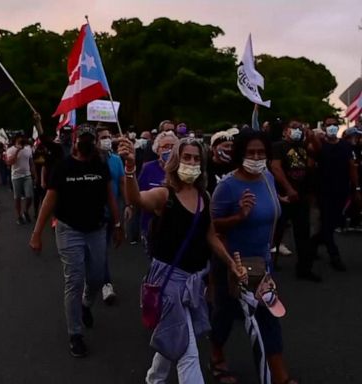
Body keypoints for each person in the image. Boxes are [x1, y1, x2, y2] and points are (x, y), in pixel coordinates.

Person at [118, 136, 245, 384]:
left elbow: (210, 235)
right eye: (186, 157)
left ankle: (154, 379)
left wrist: (230, 263)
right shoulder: (165, 194)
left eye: (197, 158)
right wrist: (131, 169)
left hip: (194, 280)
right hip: (168, 282)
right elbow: (136, 200)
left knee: (174, 335)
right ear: (176, 161)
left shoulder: (203, 197)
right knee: (188, 350)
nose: (192, 162)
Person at [210, 130, 297, 384]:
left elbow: (273, 213)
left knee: (269, 316)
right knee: (224, 315)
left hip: (261, 262)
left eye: (261, 152)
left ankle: (279, 374)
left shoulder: (268, 177)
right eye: (250, 153)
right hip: (232, 263)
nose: (256, 157)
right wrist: (239, 217)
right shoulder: (227, 186)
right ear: (240, 155)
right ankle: (216, 356)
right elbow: (213, 228)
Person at [29, 124, 123, 358]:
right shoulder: (62, 167)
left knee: (97, 277)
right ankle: (75, 334)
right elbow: (49, 200)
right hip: (69, 229)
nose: (87, 142)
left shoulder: (99, 166)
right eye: (83, 138)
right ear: (75, 141)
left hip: (97, 229)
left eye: (90, 139)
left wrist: (118, 224)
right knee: (74, 280)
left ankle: (86, 305)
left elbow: (109, 195)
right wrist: (37, 233)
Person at [308, 116, 361, 271]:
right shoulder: (320, 146)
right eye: (328, 125)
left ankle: (313, 244)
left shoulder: (345, 146)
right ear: (324, 127)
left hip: (341, 191)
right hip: (323, 191)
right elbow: (311, 160)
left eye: (334, 125)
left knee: (333, 223)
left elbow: (352, 168)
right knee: (327, 223)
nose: (331, 127)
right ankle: (334, 256)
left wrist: (356, 189)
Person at [271, 120, 321, 282]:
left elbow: (316, 153)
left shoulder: (303, 147)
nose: (297, 130)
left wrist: (311, 137)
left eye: (300, 127)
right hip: (283, 197)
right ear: (286, 131)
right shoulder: (279, 146)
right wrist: (288, 188)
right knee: (276, 233)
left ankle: (304, 269)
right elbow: (276, 168)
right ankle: (270, 266)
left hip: (301, 197)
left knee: (303, 234)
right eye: (294, 127)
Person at [137, 131, 179, 255]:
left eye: (173, 146)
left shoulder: (182, 169)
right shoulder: (148, 168)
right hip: (151, 225)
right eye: (165, 146)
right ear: (157, 149)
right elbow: (140, 193)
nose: (169, 150)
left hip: (175, 225)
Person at [97, 127, 126, 304]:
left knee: (103, 249)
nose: (107, 140)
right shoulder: (90, 161)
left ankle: (103, 281)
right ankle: (103, 281)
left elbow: (122, 183)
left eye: (108, 136)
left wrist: (128, 204)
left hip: (113, 210)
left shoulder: (116, 160)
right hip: (94, 214)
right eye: (103, 137)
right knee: (98, 250)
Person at [6, 133, 35, 224]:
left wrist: (35, 175)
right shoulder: (10, 150)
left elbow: (31, 163)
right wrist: (17, 151)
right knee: (17, 197)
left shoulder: (28, 149)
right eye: (19, 139)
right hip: (16, 176)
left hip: (27, 175)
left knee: (29, 196)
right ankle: (19, 216)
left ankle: (26, 211)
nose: (21, 140)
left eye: (22, 138)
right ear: (15, 140)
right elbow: (9, 163)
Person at [206, 130, 237, 195]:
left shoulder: (236, 167)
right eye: (226, 146)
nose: (230, 149)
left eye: (231, 146)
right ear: (214, 148)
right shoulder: (206, 167)